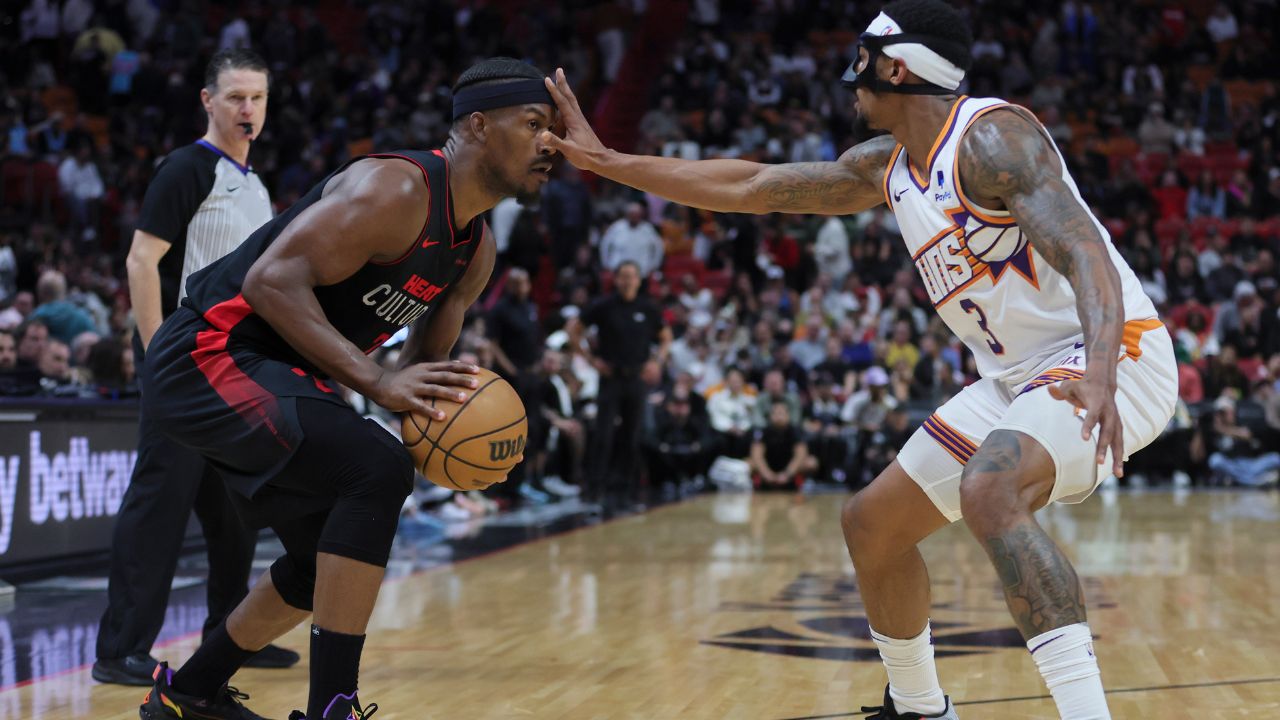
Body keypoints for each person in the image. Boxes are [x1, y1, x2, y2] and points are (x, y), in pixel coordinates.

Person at [541, 1, 1178, 716]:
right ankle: (918, 707)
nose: (851, 81)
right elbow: (751, 187)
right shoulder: (888, 168)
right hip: (1016, 377)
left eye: (863, 64)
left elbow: (1084, 249)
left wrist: (1097, 375)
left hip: (1113, 354)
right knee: (872, 523)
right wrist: (608, 161)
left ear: (895, 66)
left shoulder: (993, 141)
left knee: (989, 490)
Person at [136, 56, 554, 720]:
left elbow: (426, 369)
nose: (548, 144)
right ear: (476, 126)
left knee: (313, 566)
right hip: (208, 353)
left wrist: (457, 434)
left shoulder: (473, 252)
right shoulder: (397, 189)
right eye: (533, 124)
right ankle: (334, 708)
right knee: (375, 467)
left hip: (279, 373)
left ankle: (186, 694)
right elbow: (270, 283)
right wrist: (376, 379)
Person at [95, 48, 297, 688]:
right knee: (160, 503)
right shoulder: (187, 167)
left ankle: (228, 635)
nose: (248, 109)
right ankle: (120, 649)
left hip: (229, 364)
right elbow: (140, 261)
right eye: (235, 96)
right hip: (180, 360)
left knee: (237, 510)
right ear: (207, 101)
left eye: (257, 98)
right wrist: (159, 358)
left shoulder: (255, 183)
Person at [582, 260, 669, 507]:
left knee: (632, 436)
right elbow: (574, 330)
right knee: (603, 435)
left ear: (639, 280)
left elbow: (665, 337)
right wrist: (591, 359)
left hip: (637, 378)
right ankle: (595, 489)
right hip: (611, 378)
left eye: (632, 276)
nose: (627, 280)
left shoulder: (648, 308)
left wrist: (657, 362)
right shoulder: (603, 306)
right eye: (623, 276)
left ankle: (626, 491)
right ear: (616, 279)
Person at [750, 399, 818, 490]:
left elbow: (800, 455)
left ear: (788, 415)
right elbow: (757, 455)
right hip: (768, 466)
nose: (779, 417)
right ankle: (754, 485)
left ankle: (804, 485)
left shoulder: (795, 431)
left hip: (789, 467)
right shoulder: (764, 431)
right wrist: (767, 474)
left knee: (811, 462)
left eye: (781, 413)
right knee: (748, 464)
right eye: (776, 413)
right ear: (770, 416)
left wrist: (787, 474)